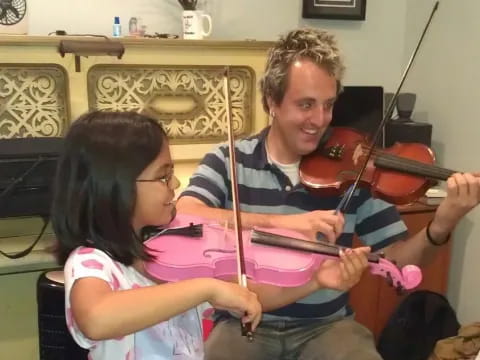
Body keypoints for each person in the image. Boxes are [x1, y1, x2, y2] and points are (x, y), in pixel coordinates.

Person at [176, 27, 480, 360]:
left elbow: (398, 263)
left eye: (328, 105)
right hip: (243, 324)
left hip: (327, 326)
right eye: (306, 105)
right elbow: (186, 213)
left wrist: (441, 226)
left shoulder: (355, 168)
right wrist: (287, 224)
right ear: (270, 102)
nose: (320, 120)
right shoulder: (229, 159)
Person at [51, 111, 263, 360]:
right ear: (116, 186)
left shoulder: (163, 253)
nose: (174, 184)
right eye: (163, 176)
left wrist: (234, 299)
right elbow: (96, 318)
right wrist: (206, 288)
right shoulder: (91, 262)